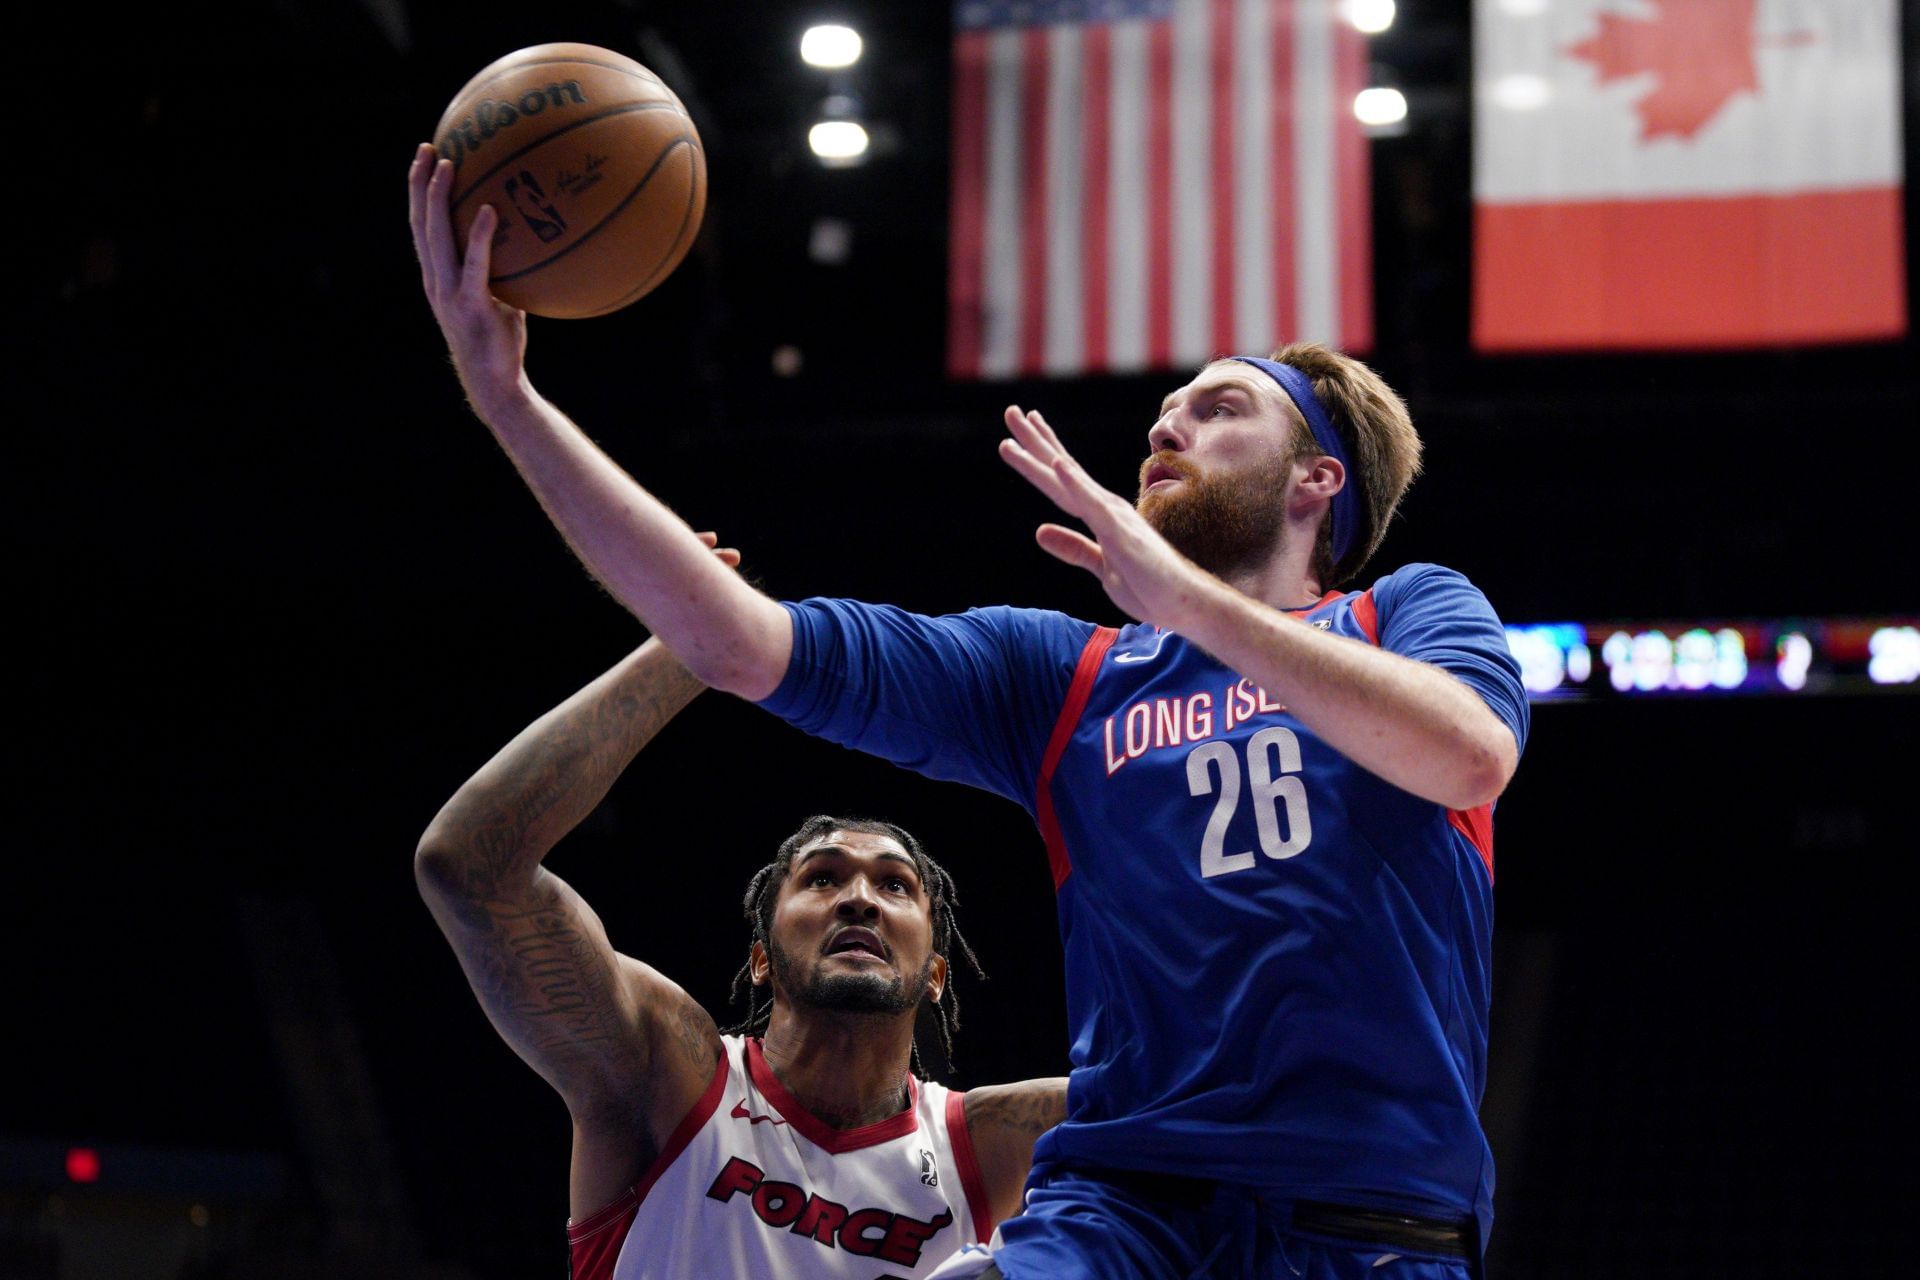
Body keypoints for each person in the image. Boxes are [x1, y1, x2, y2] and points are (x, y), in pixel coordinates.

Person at [409, 140, 1528, 1280]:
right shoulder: (1060, 677)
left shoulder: (1408, 614)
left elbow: (1470, 755)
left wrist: (1187, 602)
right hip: (1125, 1209)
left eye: (1218, 407)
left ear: (1315, 480)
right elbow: (733, 637)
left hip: (1369, 1215)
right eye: (1164, 410)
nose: (1164, 428)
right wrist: (509, 401)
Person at [413, 614, 1067, 1280]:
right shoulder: (667, 1071)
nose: (860, 898)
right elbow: (469, 866)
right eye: (822, 877)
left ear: (934, 975)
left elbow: (1177, 1102)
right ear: (761, 958)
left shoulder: (999, 1142)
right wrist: (681, 650)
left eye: (895, 885)